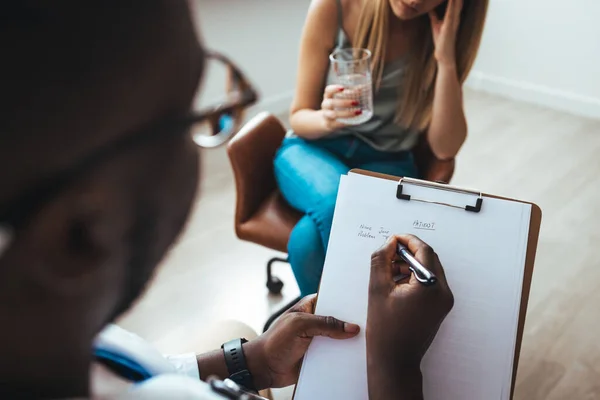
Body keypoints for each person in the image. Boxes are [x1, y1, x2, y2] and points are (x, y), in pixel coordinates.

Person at [0, 1, 454, 399]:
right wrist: (393, 367)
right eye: (193, 115)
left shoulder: (83, 347)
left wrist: (254, 362)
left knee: (288, 261)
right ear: (82, 234)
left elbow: (135, 364)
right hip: (324, 155)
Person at [273, 0, 488, 296]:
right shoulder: (333, 8)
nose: (414, 1)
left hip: (386, 160)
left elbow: (445, 147)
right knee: (337, 200)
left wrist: (446, 60)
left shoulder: (440, 34)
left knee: (304, 244)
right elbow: (299, 117)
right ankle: (357, 323)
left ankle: (331, 330)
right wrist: (329, 118)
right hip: (312, 149)